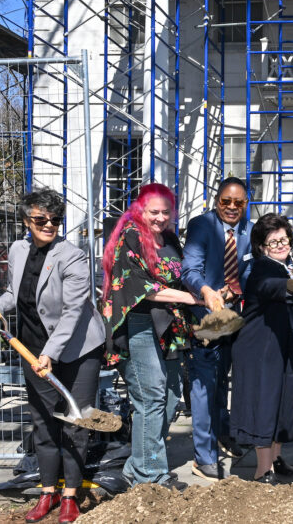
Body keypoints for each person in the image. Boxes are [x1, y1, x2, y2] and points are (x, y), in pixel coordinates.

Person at [0, 189, 106, 523]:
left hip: (78, 349)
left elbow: (74, 312)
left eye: (55, 220)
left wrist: (50, 353)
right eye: (40, 219)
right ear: (25, 220)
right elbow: (13, 293)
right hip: (32, 347)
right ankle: (48, 492)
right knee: (43, 422)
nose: (49, 225)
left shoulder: (73, 257)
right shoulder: (17, 250)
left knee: (75, 422)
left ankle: (71, 497)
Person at [101, 183, 197, 491]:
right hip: (138, 324)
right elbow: (142, 289)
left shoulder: (169, 238)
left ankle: (135, 465)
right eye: (153, 212)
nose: (159, 218)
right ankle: (150, 476)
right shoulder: (130, 237)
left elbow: (181, 277)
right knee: (151, 396)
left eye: (165, 212)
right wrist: (194, 300)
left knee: (169, 397)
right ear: (140, 209)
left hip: (170, 328)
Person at [180, 177, 253, 481]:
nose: (232, 208)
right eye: (226, 202)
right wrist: (207, 291)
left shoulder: (249, 231)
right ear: (216, 200)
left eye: (239, 203)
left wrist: (237, 288)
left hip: (235, 319)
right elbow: (189, 269)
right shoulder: (202, 226)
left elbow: (249, 269)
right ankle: (204, 455)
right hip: (204, 317)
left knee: (223, 380)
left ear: (246, 204)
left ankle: (223, 433)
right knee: (203, 385)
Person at [231, 213, 293, 483]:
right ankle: (263, 470)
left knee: (283, 399)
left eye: (284, 239)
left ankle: (276, 457)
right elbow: (268, 287)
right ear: (262, 247)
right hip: (259, 348)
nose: (280, 245)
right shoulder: (263, 267)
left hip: (280, 343)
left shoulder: (287, 266)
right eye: (273, 242)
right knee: (265, 403)